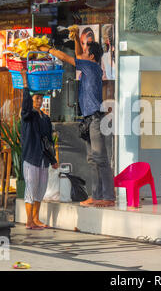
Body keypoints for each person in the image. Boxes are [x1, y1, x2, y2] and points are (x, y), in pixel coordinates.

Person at [39, 28, 115, 208]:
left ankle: (108, 197)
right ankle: (97, 196)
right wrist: (74, 39)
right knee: (92, 159)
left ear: (92, 57)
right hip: (88, 119)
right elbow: (79, 54)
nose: (83, 54)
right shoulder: (90, 65)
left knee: (100, 159)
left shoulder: (91, 66)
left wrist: (48, 49)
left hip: (95, 119)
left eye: (86, 52)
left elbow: (69, 58)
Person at [21, 70, 59, 230]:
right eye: (37, 98)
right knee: (30, 189)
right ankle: (29, 220)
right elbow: (25, 105)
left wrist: (53, 160)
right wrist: (25, 81)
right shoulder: (28, 116)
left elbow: (48, 141)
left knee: (41, 190)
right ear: (31, 100)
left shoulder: (45, 118)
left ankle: (35, 219)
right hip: (31, 158)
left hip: (43, 160)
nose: (39, 101)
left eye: (41, 98)